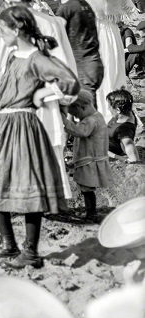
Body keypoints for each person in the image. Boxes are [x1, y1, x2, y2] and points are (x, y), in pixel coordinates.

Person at [0, 5, 80, 268]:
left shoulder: (37, 58)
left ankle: (30, 251)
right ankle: (9, 246)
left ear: (17, 28)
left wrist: (43, 95)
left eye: (3, 28)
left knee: (28, 185)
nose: (0, 33)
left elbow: (70, 82)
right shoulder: (13, 55)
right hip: (5, 123)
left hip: (24, 124)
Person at [76, 0, 139, 120]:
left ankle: (102, 112)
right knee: (114, 70)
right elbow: (128, 8)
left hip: (95, 30)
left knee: (97, 70)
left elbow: (77, 7)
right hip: (111, 31)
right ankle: (118, 109)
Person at [44, 0, 103, 95]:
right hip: (92, 64)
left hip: (81, 67)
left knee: (85, 111)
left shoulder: (66, 8)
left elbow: (54, 40)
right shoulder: (83, 3)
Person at [62, 89, 111, 222]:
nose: (77, 118)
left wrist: (65, 122)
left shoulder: (91, 120)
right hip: (88, 159)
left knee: (87, 189)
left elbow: (80, 132)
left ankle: (91, 213)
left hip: (90, 161)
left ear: (82, 107)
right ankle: (89, 210)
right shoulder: (97, 117)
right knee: (85, 188)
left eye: (76, 114)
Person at [106, 89, 140, 163]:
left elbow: (129, 145)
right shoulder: (127, 114)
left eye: (109, 106)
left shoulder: (124, 130)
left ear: (118, 110)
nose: (108, 109)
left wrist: (128, 160)